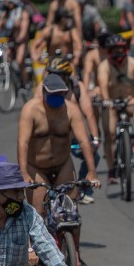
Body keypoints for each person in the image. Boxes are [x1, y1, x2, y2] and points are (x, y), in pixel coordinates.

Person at [17, 74, 100, 266]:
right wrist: (24, 173)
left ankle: (76, 254)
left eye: (60, 94)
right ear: (44, 93)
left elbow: (83, 141)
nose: (56, 98)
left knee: (72, 211)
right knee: (37, 211)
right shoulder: (31, 110)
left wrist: (91, 171)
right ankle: (36, 255)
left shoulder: (71, 110)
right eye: (52, 94)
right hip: (37, 167)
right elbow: (23, 143)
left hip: (63, 164)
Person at [39, 56, 102, 202]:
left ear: (67, 76)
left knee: (93, 155)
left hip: (72, 137)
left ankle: (83, 187)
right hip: (51, 137)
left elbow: (89, 113)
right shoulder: (43, 87)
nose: (53, 77)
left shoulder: (77, 87)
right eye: (50, 73)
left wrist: (95, 138)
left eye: (58, 75)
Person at [98, 34, 134, 182]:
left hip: (130, 102)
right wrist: (106, 100)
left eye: (121, 49)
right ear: (109, 52)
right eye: (115, 50)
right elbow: (103, 85)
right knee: (110, 133)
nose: (118, 53)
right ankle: (111, 169)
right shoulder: (104, 67)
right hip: (112, 104)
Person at [0, 0, 31, 87]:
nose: (6, 5)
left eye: (8, 2)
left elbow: (23, 31)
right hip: (10, 41)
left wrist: (19, 39)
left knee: (20, 61)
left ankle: (25, 83)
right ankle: (14, 81)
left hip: (21, 42)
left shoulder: (23, 14)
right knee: (7, 61)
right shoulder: (5, 14)